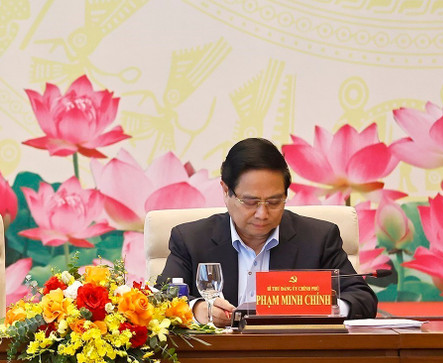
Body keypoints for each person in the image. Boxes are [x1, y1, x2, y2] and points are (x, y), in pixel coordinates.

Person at [160, 138, 377, 326]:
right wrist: (197, 309)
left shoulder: (318, 238)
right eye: (250, 202)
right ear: (226, 191)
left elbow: (363, 299)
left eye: (274, 202)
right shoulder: (191, 239)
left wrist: (324, 307)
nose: (262, 214)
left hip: (294, 359)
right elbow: (161, 298)